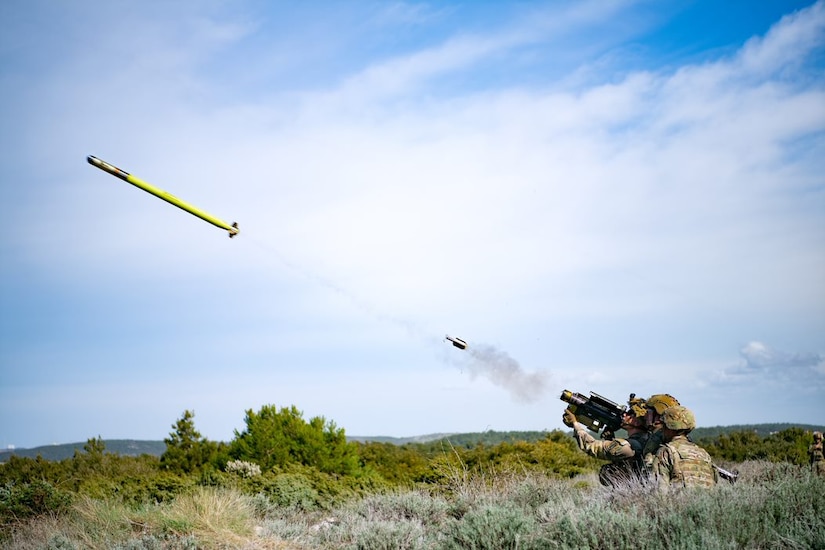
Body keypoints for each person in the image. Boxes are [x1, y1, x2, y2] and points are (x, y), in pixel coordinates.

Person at [563, 395, 650, 487]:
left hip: (632, 493)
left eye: (630, 413)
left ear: (637, 421)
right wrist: (609, 439)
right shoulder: (647, 439)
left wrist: (575, 423)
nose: (624, 414)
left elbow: (591, 446)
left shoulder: (627, 446)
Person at [654, 406, 717, 493]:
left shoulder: (666, 451)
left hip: (679, 504)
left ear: (669, 427)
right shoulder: (704, 453)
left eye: (664, 426)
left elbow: (659, 491)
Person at [641, 393, 680, 472]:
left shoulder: (660, 436)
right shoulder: (678, 435)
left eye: (648, 412)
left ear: (659, 415)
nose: (645, 416)